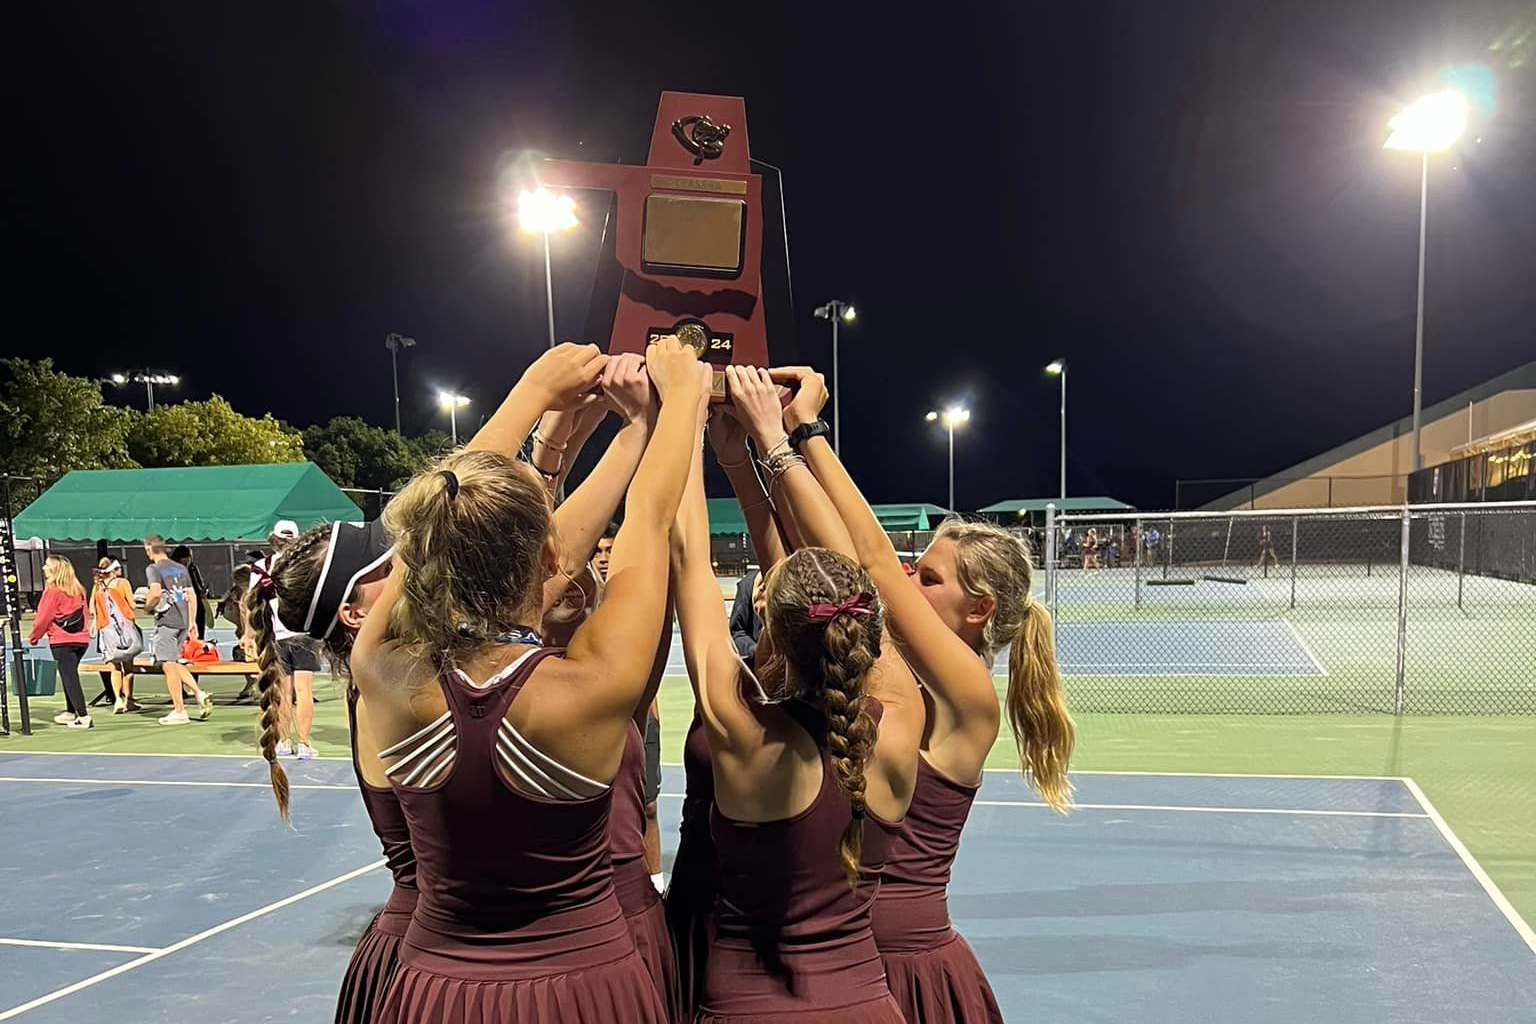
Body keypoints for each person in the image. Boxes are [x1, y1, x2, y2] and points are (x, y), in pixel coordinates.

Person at [352, 339, 702, 1024]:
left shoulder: (384, 671)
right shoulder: (592, 684)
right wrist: (673, 401)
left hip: (436, 991)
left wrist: (533, 391)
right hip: (587, 989)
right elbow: (650, 523)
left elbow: (428, 530)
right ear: (551, 557)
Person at [769, 364, 1076, 1024]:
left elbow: (870, 563)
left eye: (929, 578)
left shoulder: (969, 696)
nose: (910, 577)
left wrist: (801, 434)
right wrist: (761, 452)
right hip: (841, 952)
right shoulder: (889, 667)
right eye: (917, 567)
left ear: (978, 608)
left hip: (904, 968)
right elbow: (827, 561)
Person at [669, 364, 925, 1023]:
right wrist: (772, 441)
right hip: (866, 1005)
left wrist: (684, 418)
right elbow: (857, 567)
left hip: (747, 1008)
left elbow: (689, 562)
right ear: (866, 623)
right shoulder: (900, 718)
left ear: (771, 631)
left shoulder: (745, 735)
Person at [245, 517, 406, 1024]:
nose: (401, 561)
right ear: (354, 613)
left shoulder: (395, 678)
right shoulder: (398, 690)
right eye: (384, 566)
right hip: (434, 961)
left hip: (422, 950)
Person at [251, 520, 321, 758]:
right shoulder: (308, 564)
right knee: (304, 692)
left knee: (283, 693)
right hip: (304, 634)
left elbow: (250, 604)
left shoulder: (262, 566)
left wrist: (250, 635)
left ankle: (283, 741)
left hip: (277, 635)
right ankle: (304, 744)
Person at [143, 534, 213, 725]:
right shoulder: (181, 568)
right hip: (183, 621)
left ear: (149, 549)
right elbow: (192, 595)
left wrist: (146, 607)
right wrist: (191, 622)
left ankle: (179, 710)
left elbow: (155, 593)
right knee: (174, 662)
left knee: (168, 665)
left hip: (167, 621)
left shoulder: (154, 568)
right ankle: (199, 692)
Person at [30, 555, 93, 729]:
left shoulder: (52, 590)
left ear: (55, 569)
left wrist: (34, 636)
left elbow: (44, 617)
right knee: (69, 674)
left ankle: (83, 716)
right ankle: (70, 711)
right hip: (81, 640)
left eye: (47, 565)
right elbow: (85, 614)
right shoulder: (79, 589)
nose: (43, 568)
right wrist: (84, 634)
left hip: (61, 640)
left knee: (69, 676)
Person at [90, 558, 141, 713]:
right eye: (118, 567)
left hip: (106, 629)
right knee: (128, 667)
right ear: (112, 570)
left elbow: (92, 609)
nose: (120, 570)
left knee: (115, 667)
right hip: (125, 627)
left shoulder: (98, 586)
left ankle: (118, 699)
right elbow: (132, 604)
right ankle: (129, 699)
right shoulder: (123, 583)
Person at [171, 544, 213, 637]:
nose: (187, 560)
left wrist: (203, 591)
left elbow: (199, 583)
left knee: (199, 633)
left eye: (189, 557)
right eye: (184, 557)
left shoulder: (193, 568)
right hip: (181, 607)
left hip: (198, 605)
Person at [728, 569, 764, 661]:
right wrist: (758, 652)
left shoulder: (802, 579)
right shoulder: (750, 583)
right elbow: (736, 632)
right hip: (757, 665)